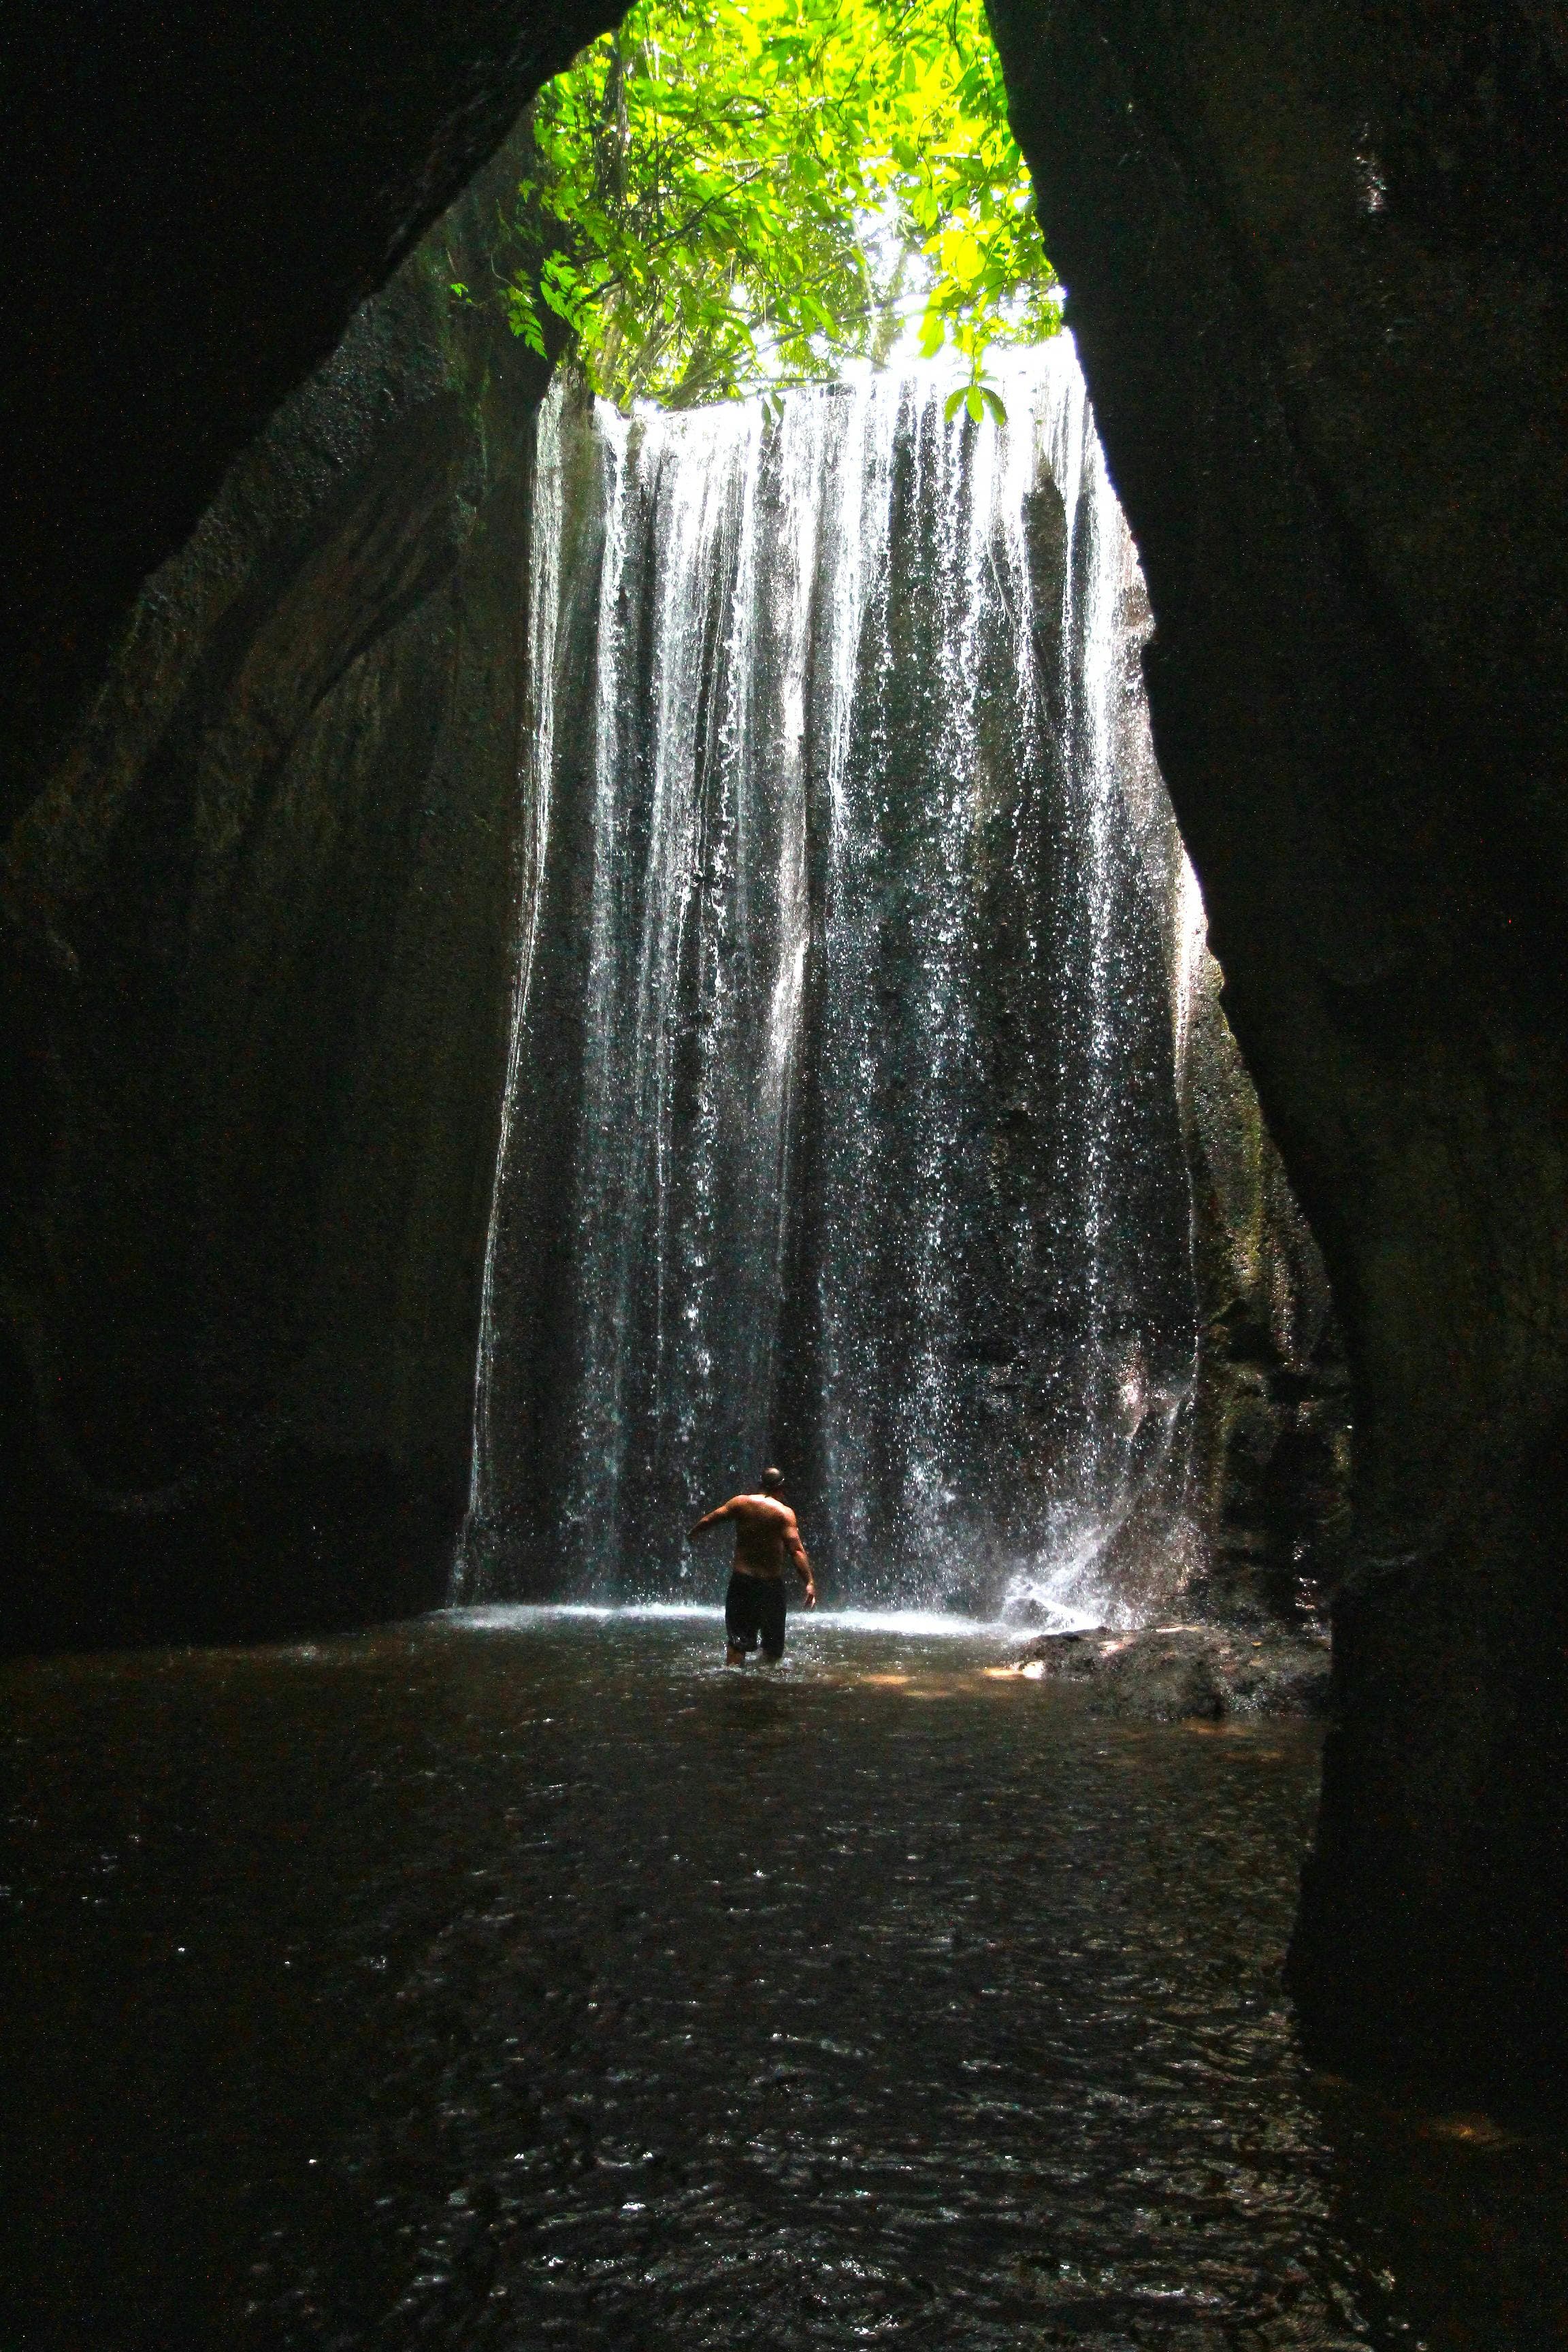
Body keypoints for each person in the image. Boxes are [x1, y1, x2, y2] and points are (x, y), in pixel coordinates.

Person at [688, 1467, 815, 1665]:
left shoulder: (740, 1503)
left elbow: (709, 1519)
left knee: (738, 1643)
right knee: (773, 1648)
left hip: (742, 1583)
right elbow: (796, 1551)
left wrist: (693, 1533)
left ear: (760, 1485)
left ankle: (733, 1686)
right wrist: (809, 1581)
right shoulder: (784, 1514)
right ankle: (764, 1688)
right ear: (781, 1488)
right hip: (770, 1586)